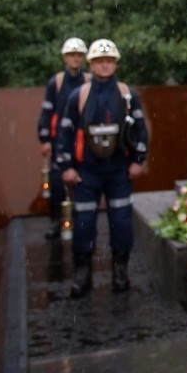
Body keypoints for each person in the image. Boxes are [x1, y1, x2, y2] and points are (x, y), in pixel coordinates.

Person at [56, 38, 149, 298]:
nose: (105, 65)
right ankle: (82, 274)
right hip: (86, 172)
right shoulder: (78, 96)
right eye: (99, 61)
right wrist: (66, 167)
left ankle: (120, 272)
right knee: (84, 222)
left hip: (119, 170)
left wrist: (138, 161)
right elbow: (64, 133)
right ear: (91, 64)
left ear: (115, 63)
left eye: (109, 61)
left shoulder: (126, 94)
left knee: (121, 222)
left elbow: (140, 130)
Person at [37, 37, 90, 239]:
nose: (75, 59)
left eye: (79, 55)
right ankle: (55, 222)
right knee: (57, 183)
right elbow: (46, 111)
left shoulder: (88, 81)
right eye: (71, 55)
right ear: (65, 58)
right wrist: (44, 139)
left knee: (83, 182)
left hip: (83, 140)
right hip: (61, 140)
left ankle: (79, 222)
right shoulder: (56, 83)